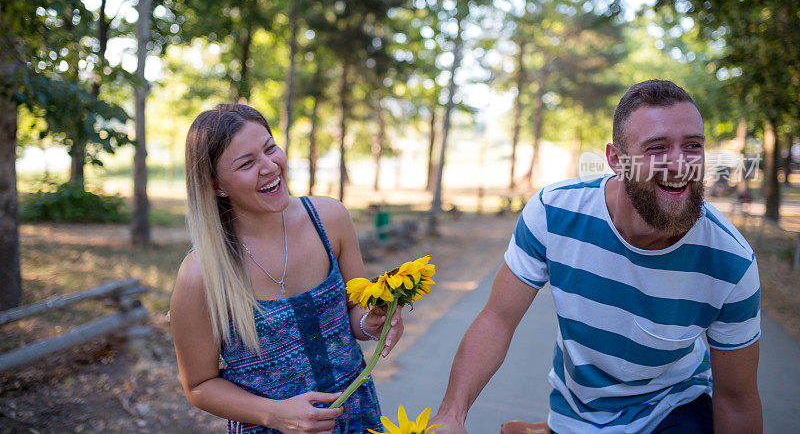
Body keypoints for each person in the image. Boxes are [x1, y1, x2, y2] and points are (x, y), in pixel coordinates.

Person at [432, 80, 762, 433]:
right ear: (617, 161)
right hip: (576, 414)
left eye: (693, 146)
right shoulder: (553, 213)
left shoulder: (732, 261)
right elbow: (497, 319)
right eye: (656, 148)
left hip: (671, 408)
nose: (680, 164)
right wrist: (451, 415)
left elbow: (737, 401)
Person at [170, 103, 403, 433]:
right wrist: (272, 413)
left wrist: (373, 322)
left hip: (357, 418)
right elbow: (199, 385)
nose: (269, 166)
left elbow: (354, 312)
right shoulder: (200, 274)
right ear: (216, 186)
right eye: (247, 163)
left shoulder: (330, 218)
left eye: (270, 148)